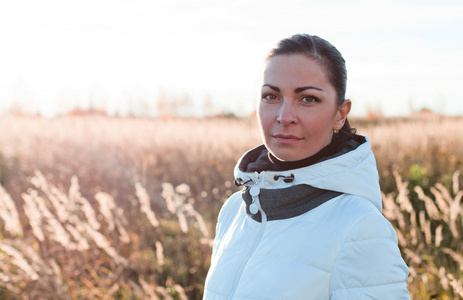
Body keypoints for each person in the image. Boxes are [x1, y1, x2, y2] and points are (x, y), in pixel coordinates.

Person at [203, 34, 410, 299]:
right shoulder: (235, 210)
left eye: (308, 99)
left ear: (340, 114)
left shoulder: (360, 227)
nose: (284, 117)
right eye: (271, 96)